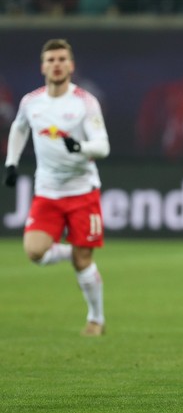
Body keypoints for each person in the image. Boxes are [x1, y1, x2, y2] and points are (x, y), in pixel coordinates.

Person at [2, 39, 110, 336]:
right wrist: (11, 162)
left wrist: (80, 146)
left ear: (71, 65)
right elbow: (19, 127)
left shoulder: (85, 102)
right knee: (35, 252)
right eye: (51, 59)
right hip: (47, 191)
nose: (57, 64)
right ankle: (72, 250)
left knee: (83, 263)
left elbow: (102, 146)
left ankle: (96, 319)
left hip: (82, 191)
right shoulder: (30, 102)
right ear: (43, 66)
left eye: (62, 59)